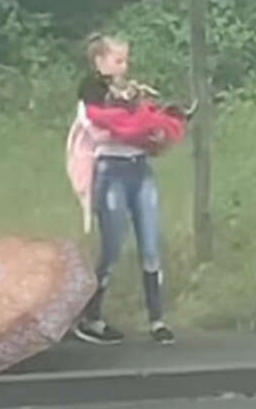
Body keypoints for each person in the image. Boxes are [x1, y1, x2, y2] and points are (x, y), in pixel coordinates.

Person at [70, 33, 178, 346]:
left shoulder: (133, 92)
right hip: (112, 172)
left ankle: (157, 319)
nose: (124, 65)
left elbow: (143, 119)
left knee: (151, 243)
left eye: (126, 60)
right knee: (113, 247)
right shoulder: (90, 94)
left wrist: (154, 133)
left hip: (140, 169)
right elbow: (100, 132)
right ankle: (92, 316)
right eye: (118, 60)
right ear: (100, 61)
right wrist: (137, 130)